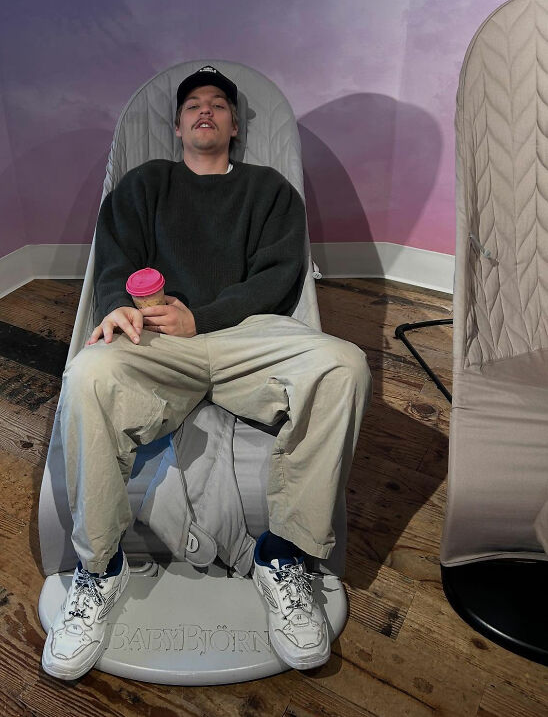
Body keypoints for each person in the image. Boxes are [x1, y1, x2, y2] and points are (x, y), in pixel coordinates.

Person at [41, 66, 371, 679]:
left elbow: (277, 279)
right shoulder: (144, 186)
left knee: (344, 365)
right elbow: (113, 261)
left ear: (235, 126)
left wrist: (209, 317)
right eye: (193, 104)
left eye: (218, 105)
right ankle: (100, 568)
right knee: (88, 375)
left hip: (246, 334)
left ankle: (284, 556)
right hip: (163, 338)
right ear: (176, 125)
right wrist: (117, 307)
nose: (205, 112)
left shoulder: (270, 192)